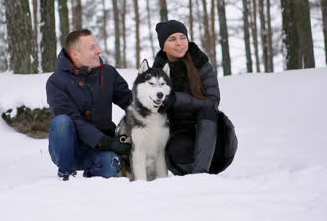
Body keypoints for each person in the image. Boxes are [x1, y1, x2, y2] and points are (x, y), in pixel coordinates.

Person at [46, 29, 132, 181]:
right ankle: (65, 173)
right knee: (61, 122)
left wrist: (154, 105)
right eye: (92, 48)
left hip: (99, 149)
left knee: (112, 165)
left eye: (97, 46)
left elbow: (129, 101)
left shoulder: (108, 73)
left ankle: (92, 174)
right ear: (75, 54)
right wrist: (106, 142)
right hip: (70, 148)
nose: (99, 51)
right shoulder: (56, 82)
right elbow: (73, 119)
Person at [152, 20, 222, 175]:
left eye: (183, 38)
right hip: (178, 133)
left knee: (209, 111)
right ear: (163, 46)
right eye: (172, 39)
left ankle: (201, 174)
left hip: (209, 130)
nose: (179, 43)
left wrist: (176, 99)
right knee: (178, 148)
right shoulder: (156, 72)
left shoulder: (200, 63)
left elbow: (212, 101)